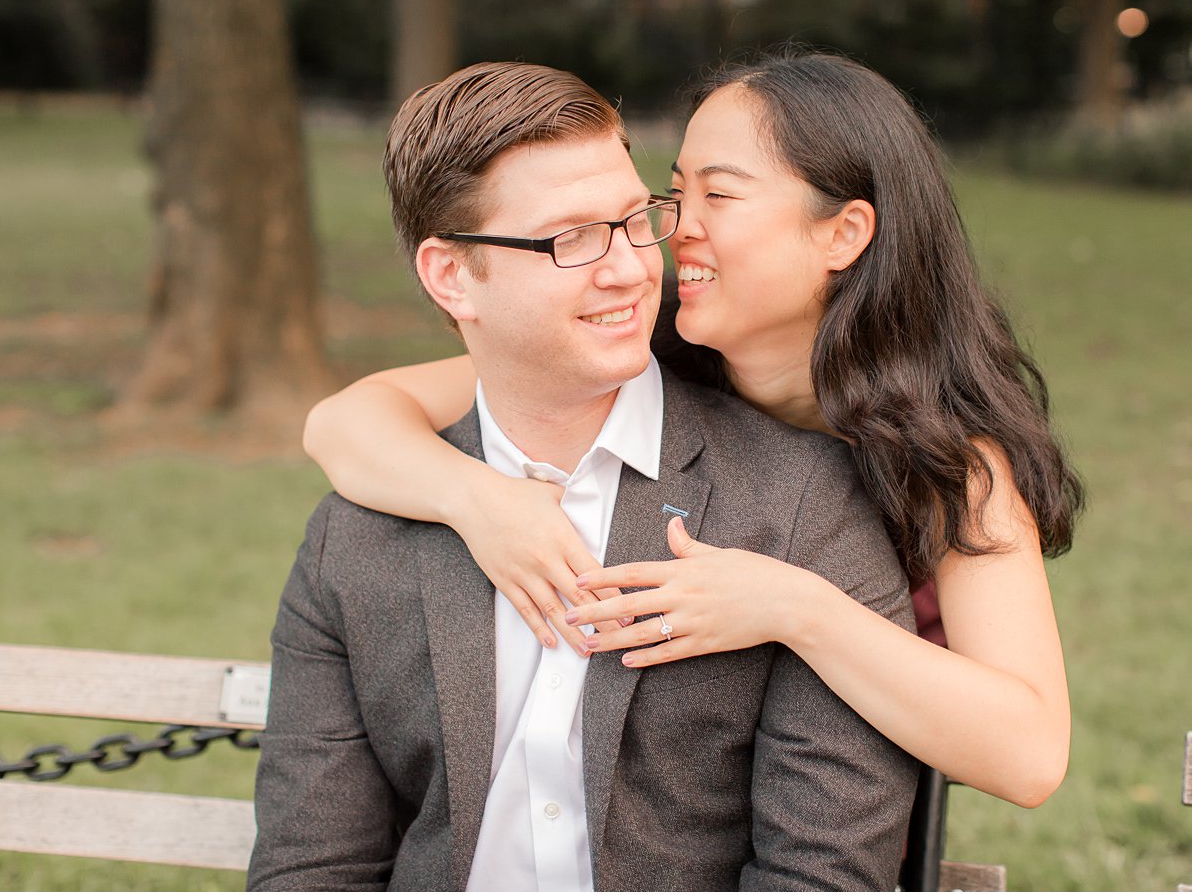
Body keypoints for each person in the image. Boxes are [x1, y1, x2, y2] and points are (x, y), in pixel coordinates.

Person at [303, 49, 1083, 810]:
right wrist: (479, 502)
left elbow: (1030, 754)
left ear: (843, 234)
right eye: (674, 193)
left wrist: (793, 605)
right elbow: (345, 422)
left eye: (723, 196)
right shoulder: (645, 353)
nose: (672, 231)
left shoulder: (949, 457)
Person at [249, 61, 918, 892]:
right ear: (452, 275)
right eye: (570, 238)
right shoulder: (356, 537)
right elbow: (311, 868)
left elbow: (821, 877)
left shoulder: (800, 506)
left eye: (635, 218)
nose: (634, 269)